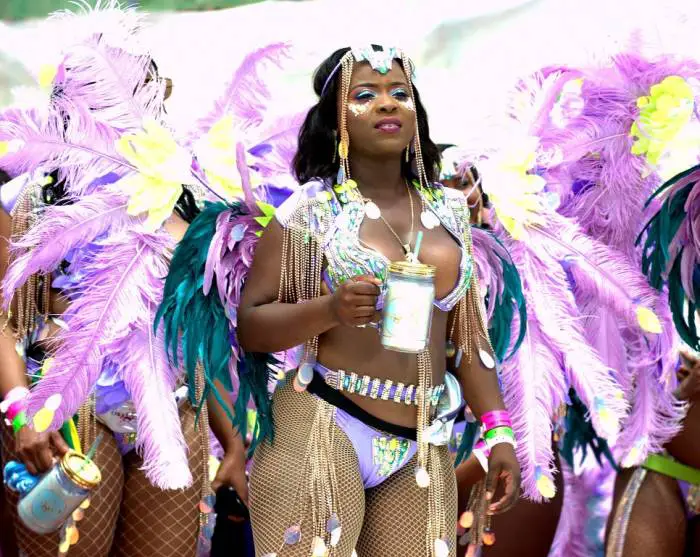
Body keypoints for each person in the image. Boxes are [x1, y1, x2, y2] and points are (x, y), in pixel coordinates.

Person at [237, 45, 520, 557]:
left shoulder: (453, 212)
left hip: (420, 443)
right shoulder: (310, 211)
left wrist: (500, 432)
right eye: (365, 95)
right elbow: (252, 327)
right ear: (335, 120)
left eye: (400, 94)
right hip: (322, 422)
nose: (387, 104)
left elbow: (469, 338)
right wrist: (329, 309)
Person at [0, 10, 245, 556]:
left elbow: (200, 331)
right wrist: (22, 410)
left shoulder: (191, 198)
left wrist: (231, 438)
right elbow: (3, 322)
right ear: (67, 104)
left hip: (172, 411)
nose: (115, 103)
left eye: (133, 86)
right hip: (69, 410)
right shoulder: (26, 201)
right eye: (97, 89)